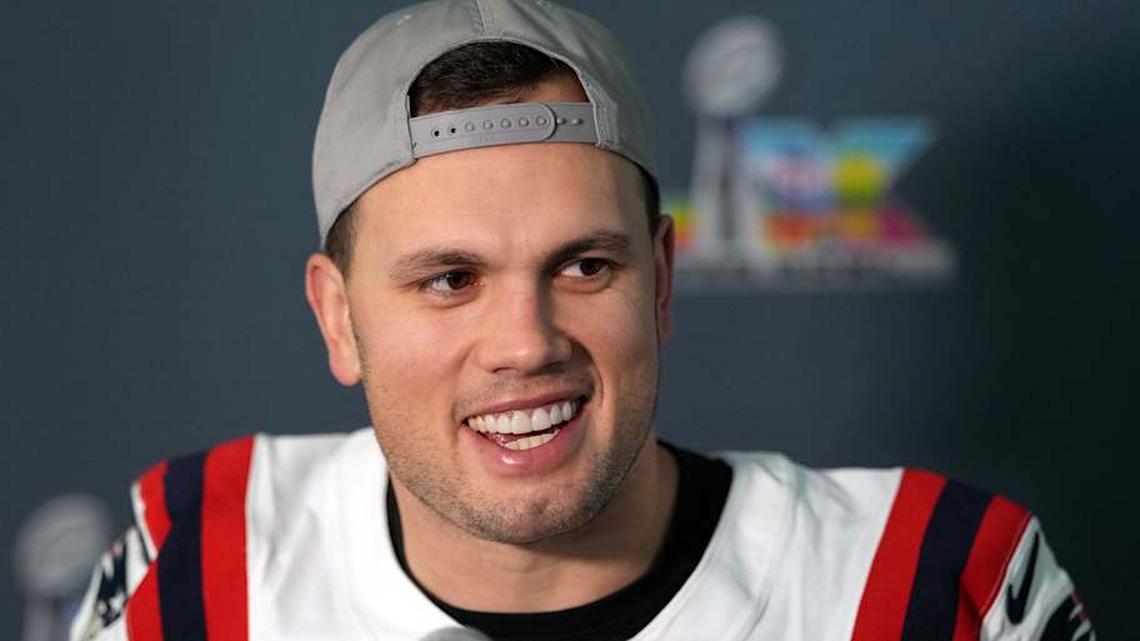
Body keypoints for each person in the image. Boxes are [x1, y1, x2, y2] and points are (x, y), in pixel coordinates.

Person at [69, 1, 1094, 640]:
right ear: (338, 318)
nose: (526, 341)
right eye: (450, 279)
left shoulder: (929, 584)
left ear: (660, 279)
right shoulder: (200, 579)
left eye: (584, 265)